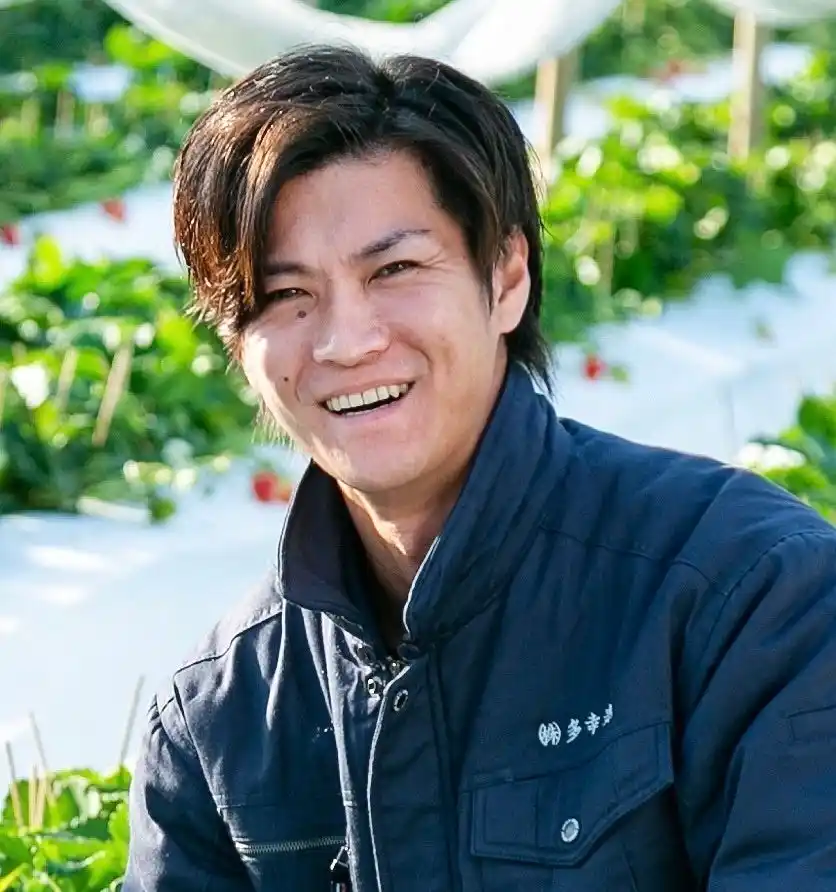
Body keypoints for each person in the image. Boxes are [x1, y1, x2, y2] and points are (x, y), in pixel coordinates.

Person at [124, 44, 836, 892]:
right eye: (286, 296)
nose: (347, 342)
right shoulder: (218, 717)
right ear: (237, 343)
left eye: (394, 270)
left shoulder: (747, 594)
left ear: (506, 277)